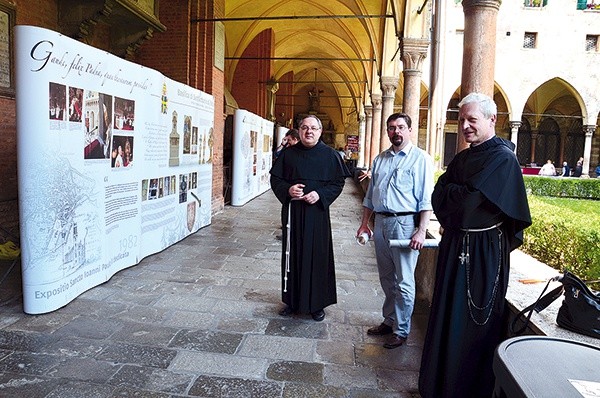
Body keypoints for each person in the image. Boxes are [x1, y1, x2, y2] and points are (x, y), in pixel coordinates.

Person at [418, 93, 531, 398]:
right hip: (456, 244)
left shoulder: (503, 159)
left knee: (472, 322)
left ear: (492, 120)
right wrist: (459, 193)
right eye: (462, 119)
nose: (465, 126)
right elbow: (438, 195)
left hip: (482, 252)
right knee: (445, 314)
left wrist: (456, 193)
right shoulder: (465, 157)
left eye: (472, 120)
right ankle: (438, 386)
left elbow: (466, 205)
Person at [357, 112, 434, 349]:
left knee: (404, 281)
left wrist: (421, 231)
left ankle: (401, 329)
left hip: (405, 225)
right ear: (387, 132)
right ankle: (389, 321)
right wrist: (364, 224)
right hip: (381, 224)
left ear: (410, 130)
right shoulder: (380, 159)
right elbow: (370, 197)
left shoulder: (421, 159)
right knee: (386, 277)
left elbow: (425, 200)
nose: (396, 132)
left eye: (401, 127)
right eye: (391, 128)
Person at [270, 115, 350, 322]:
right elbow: (276, 179)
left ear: (320, 131)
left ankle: (317, 304)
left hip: (317, 215)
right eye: (305, 128)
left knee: (318, 257)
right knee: (292, 255)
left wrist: (320, 195)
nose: (309, 131)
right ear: (299, 130)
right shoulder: (288, 155)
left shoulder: (331, 155)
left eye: (313, 128)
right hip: (293, 213)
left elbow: (337, 183)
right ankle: (291, 301)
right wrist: (288, 189)